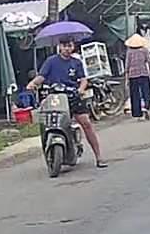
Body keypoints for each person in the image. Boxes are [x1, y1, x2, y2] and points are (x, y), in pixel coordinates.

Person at [28, 36, 108, 168]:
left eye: (69, 46)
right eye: (64, 46)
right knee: (47, 122)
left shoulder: (77, 62)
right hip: (55, 98)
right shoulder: (51, 61)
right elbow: (41, 76)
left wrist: (81, 89)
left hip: (73, 97)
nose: (67, 49)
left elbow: (83, 79)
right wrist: (32, 84)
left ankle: (99, 157)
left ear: (73, 46)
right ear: (59, 47)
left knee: (86, 123)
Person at [124, 33, 150, 120]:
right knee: (147, 92)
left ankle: (138, 114)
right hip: (143, 73)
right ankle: (146, 107)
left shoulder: (129, 51)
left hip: (133, 75)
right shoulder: (144, 50)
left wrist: (126, 78)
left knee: (135, 95)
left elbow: (127, 66)